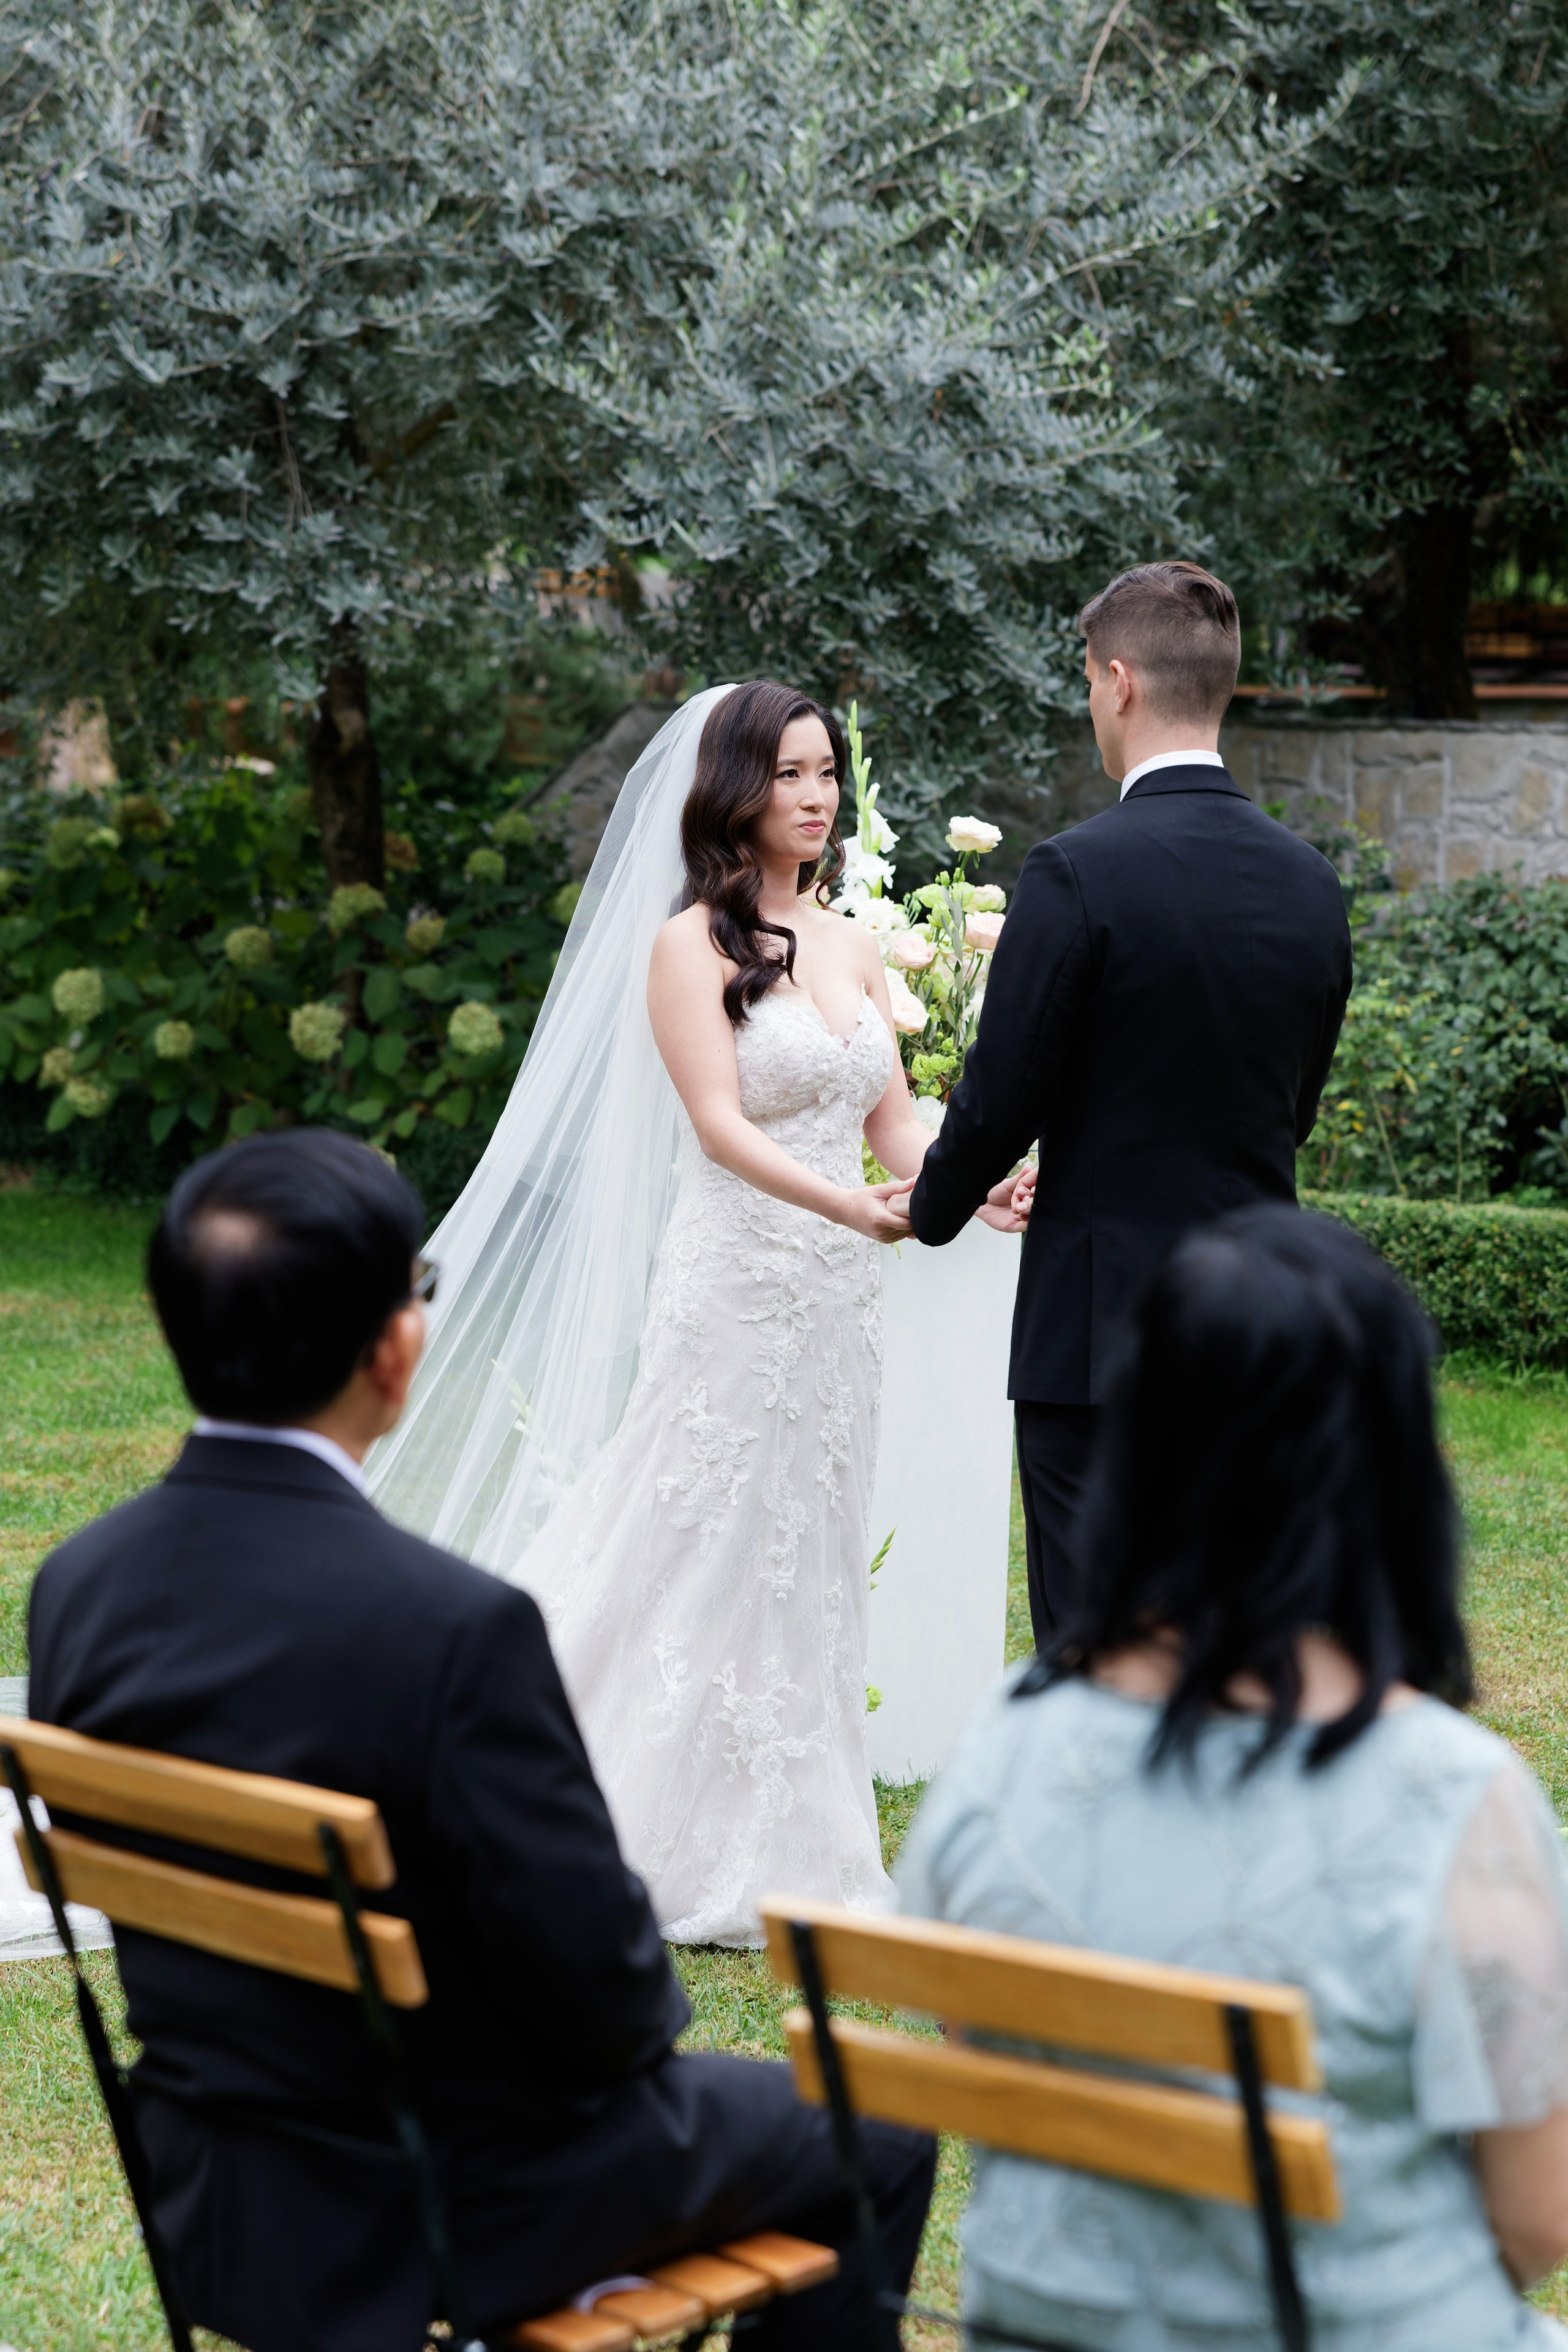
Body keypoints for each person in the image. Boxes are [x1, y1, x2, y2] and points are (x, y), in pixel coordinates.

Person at [27, 1129, 935, 2352]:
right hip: (449, 2199)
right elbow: (613, 2005)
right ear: (395, 1351)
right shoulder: (454, 1629)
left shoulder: (83, 1583)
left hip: (219, 2185)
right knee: (876, 2130)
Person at [898, 1206, 1568, 2352]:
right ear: (1392, 1462)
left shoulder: (1011, 1732)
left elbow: (989, 2060)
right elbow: (1534, 2222)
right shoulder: (1453, 1793)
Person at [369, 681, 950, 1947]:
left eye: (823, 776)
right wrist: (849, 1210)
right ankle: (548, 1776)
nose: (812, 797)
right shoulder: (689, 943)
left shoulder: (852, 941)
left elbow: (887, 1117)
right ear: (731, 792)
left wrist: (962, 1179)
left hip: (837, 1306)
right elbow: (719, 1125)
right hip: (737, 1280)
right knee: (693, 1529)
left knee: (805, 1547)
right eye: (787, 775)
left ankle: (793, 1838)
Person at [894, 562, 1354, 1644]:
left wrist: (930, 1206)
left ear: (1118, 681)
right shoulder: (1309, 882)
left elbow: (1003, 1095)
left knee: (1098, 1644)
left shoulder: (1077, 871)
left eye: (1088, 683)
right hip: (1254, 1322)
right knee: (1236, 1638)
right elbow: (1291, 1109)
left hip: (1099, 1336)